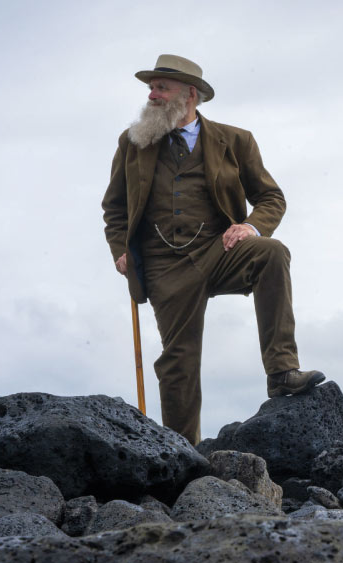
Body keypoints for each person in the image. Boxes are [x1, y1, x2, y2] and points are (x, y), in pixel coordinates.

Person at [102, 54, 324, 445]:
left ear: (189, 95)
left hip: (219, 249)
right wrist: (120, 249)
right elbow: (115, 208)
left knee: (271, 252)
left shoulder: (236, 140)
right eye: (150, 87)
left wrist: (251, 226)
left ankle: (282, 372)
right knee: (178, 364)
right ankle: (181, 453)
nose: (151, 95)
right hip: (161, 263)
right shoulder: (133, 142)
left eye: (160, 87)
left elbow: (272, 197)